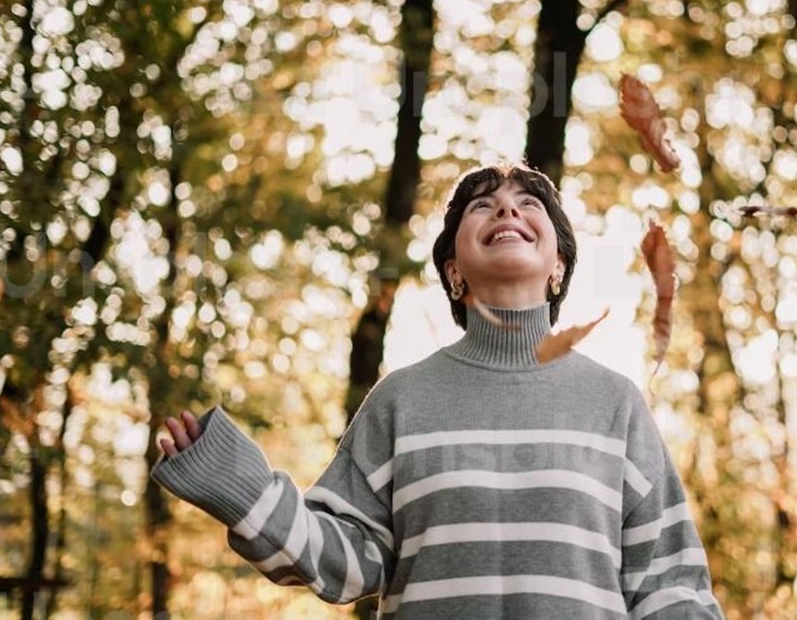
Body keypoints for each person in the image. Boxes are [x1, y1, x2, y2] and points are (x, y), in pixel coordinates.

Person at [154, 161, 724, 619]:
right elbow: (348, 563)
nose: (506, 207)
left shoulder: (615, 403)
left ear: (559, 265)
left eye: (530, 204)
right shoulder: (401, 400)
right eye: (484, 204)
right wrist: (246, 493)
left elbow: (669, 583)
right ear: (454, 270)